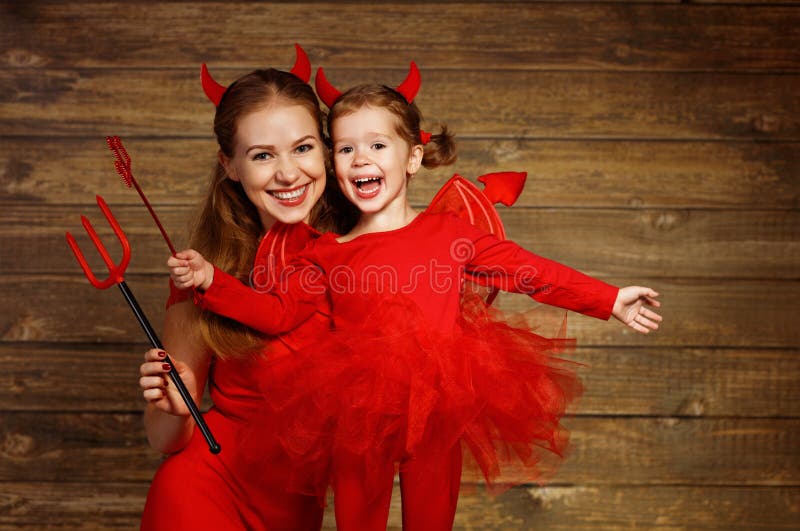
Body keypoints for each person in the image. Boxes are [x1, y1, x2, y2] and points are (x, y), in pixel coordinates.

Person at [168, 65, 662, 530]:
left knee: (431, 517)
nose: (361, 159)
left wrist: (607, 298)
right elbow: (276, 313)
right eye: (344, 149)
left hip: (438, 404)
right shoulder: (324, 254)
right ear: (333, 162)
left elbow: (529, 272)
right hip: (358, 412)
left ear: (413, 158)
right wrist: (213, 279)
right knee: (359, 519)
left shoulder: (451, 235)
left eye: (377, 145)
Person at [138, 46, 357, 531]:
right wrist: (177, 406)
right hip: (204, 492)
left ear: (325, 149)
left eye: (303, 148)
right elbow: (165, 438)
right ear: (231, 165)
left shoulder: (364, 257)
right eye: (262, 155)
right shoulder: (205, 275)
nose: (287, 173)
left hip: (299, 506)